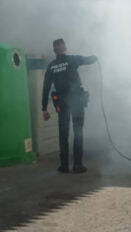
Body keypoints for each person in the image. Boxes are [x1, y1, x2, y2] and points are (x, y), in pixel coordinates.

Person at [41, 39, 97, 173]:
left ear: (54, 51)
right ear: (65, 47)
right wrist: (95, 57)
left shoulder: (51, 66)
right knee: (78, 132)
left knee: (63, 134)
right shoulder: (72, 60)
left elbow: (46, 87)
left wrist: (44, 108)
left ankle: (64, 165)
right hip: (76, 100)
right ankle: (78, 165)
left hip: (61, 102)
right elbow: (88, 60)